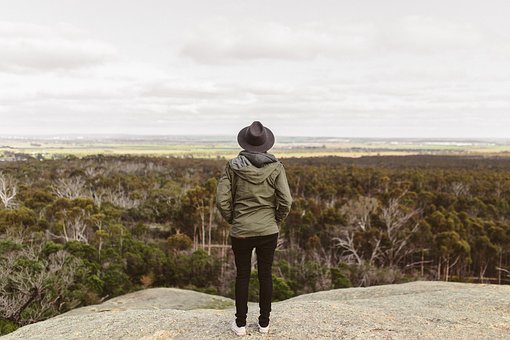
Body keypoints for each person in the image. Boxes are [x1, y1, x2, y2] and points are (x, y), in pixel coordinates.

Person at [216, 121, 293, 336]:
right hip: (268, 230)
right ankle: (264, 324)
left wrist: (233, 218)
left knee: (242, 276)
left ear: (245, 142)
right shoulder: (276, 167)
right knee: (265, 275)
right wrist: (275, 220)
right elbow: (286, 200)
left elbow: (221, 200)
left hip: (241, 230)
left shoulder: (232, 166)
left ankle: (240, 325)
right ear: (265, 144)